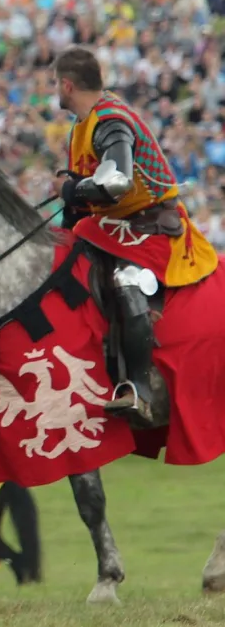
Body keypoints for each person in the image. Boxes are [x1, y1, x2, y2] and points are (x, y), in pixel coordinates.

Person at [54, 48, 218, 428]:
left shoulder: (110, 121)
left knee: (126, 280)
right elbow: (85, 194)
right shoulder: (82, 125)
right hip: (114, 224)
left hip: (150, 225)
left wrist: (73, 191)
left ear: (67, 84)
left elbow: (116, 181)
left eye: (56, 85)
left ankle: (139, 391)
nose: (55, 92)